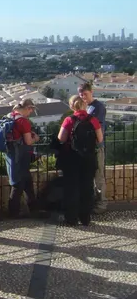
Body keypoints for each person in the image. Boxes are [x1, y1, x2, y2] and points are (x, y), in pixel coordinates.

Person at [57, 96, 103, 226]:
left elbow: (61, 138)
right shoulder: (93, 120)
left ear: (72, 106)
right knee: (87, 187)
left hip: (72, 158)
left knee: (72, 188)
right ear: (84, 105)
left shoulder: (69, 120)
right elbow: (100, 139)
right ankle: (85, 218)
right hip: (88, 158)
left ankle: (71, 218)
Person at [4, 99, 40, 217]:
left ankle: (34, 208)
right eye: (31, 110)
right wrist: (35, 138)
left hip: (11, 154)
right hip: (21, 156)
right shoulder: (23, 121)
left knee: (27, 182)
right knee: (18, 184)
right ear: (27, 108)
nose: (30, 113)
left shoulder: (10, 116)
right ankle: (13, 212)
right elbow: (28, 141)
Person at [79, 82, 107, 213]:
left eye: (85, 94)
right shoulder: (88, 107)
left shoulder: (98, 107)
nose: (83, 97)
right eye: (81, 94)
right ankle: (93, 203)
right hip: (89, 148)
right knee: (90, 176)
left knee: (99, 175)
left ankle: (101, 204)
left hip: (97, 146)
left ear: (91, 92)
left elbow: (97, 128)